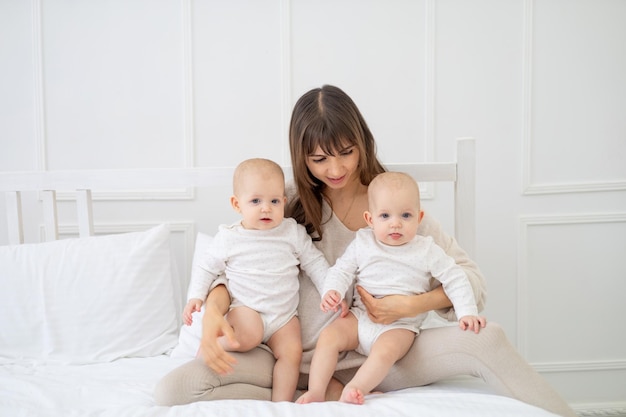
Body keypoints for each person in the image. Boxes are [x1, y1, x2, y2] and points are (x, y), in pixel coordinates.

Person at [155, 85, 577, 417]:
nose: (335, 170)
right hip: (292, 357)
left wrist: (410, 304)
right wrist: (212, 311)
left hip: (385, 356)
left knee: (488, 340)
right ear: (302, 159)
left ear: (363, 142)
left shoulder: (396, 208)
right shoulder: (283, 206)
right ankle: (304, 388)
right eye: (319, 159)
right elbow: (230, 265)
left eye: (345, 153)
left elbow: (473, 285)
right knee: (174, 388)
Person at [297, 172, 487, 405]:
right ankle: (317, 390)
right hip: (359, 317)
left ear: (419, 217)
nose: (395, 223)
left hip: (400, 326)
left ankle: (356, 388)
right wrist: (332, 291)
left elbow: (456, 277)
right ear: (370, 219)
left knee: (385, 353)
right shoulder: (363, 242)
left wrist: (467, 312)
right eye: (385, 215)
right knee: (329, 337)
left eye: (406, 215)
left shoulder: (426, 249)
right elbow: (341, 270)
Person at [181, 157, 329, 402]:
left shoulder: (292, 231)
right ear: (237, 204)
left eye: (274, 201)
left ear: (283, 201)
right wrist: (195, 297)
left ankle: (281, 404)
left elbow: (314, 262)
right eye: (256, 201)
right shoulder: (230, 238)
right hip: (247, 308)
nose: (266, 208)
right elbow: (206, 268)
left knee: (292, 353)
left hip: (283, 315)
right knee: (246, 336)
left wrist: (329, 289)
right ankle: (209, 350)